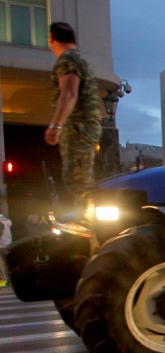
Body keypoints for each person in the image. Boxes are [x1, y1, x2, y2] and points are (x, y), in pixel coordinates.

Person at [44, 22, 102, 223]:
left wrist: (55, 126)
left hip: (78, 127)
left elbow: (69, 92)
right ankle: (87, 220)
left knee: (78, 178)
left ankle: (88, 224)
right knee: (81, 177)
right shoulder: (79, 60)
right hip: (86, 127)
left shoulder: (67, 60)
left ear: (52, 39)